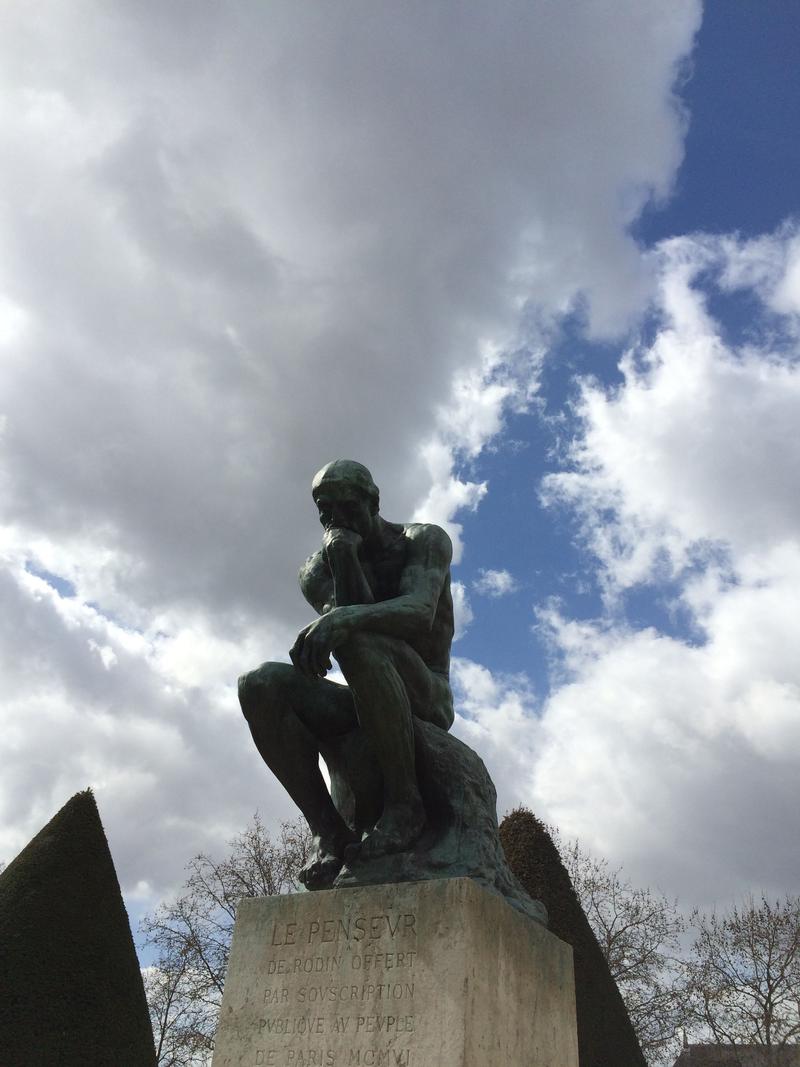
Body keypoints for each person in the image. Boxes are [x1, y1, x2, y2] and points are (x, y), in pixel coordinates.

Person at [238, 459, 455, 889]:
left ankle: (405, 805)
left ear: (374, 501)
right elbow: (344, 622)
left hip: (425, 692)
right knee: (259, 683)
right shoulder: (316, 568)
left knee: (358, 633)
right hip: (361, 695)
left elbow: (418, 613)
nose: (336, 518)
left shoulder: (422, 541)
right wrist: (344, 559)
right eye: (325, 509)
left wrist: (344, 620)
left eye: (347, 505)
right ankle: (328, 832)